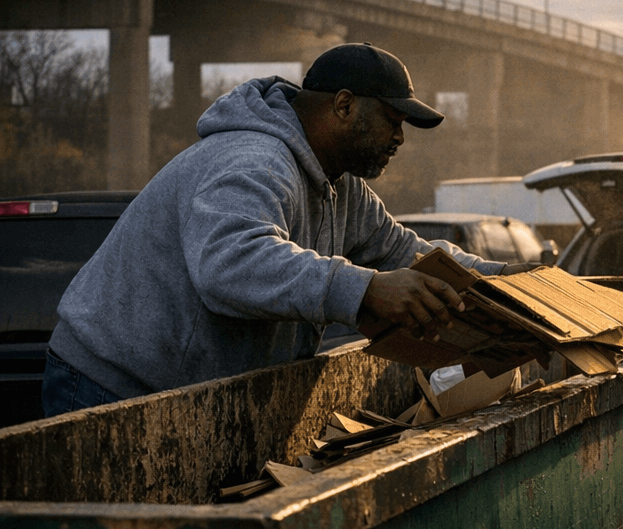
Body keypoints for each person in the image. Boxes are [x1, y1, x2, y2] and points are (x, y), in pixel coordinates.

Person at [43, 42, 518, 415]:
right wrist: (366, 289)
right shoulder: (255, 159)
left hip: (183, 391)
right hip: (111, 387)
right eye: (392, 120)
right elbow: (231, 262)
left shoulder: (342, 187)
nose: (399, 137)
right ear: (345, 105)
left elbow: (404, 251)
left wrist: (515, 282)